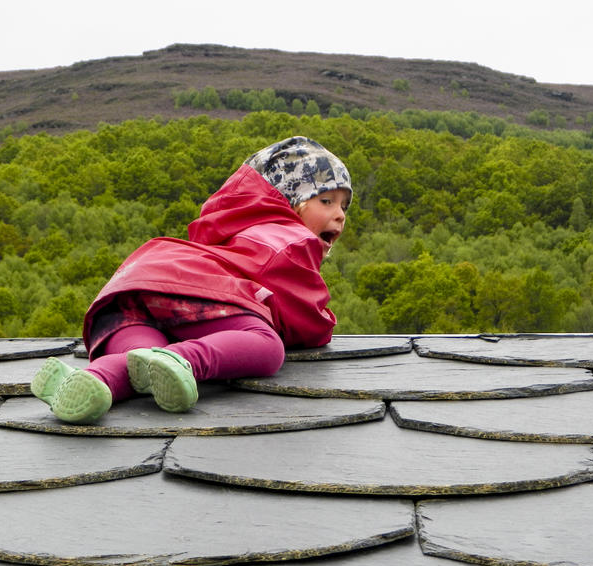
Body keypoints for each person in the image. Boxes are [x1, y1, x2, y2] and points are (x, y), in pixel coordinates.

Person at [31, 135, 352, 423]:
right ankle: (183, 360)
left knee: (137, 366)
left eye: (344, 205)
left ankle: (94, 380)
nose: (339, 214)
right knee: (267, 345)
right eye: (326, 201)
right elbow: (305, 317)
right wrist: (323, 324)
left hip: (133, 291)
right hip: (187, 293)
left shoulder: (231, 235)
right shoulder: (290, 239)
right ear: (287, 202)